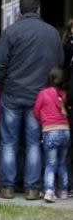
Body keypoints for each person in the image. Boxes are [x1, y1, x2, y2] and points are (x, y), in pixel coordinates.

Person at [0, 0, 63, 200]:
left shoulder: (11, 31)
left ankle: (6, 187)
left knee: (8, 142)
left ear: (19, 11)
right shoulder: (52, 33)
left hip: (13, 93)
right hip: (38, 95)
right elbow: (59, 62)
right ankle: (33, 188)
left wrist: (3, 84)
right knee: (34, 142)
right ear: (39, 9)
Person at [33, 68, 70, 203]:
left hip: (51, 131)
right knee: (62, 163)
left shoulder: (43, 93)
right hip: (66, 131)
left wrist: (43, 120)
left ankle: (49, 191)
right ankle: (64, 190)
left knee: (50, 163)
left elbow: (36, 110)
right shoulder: (64, 94)